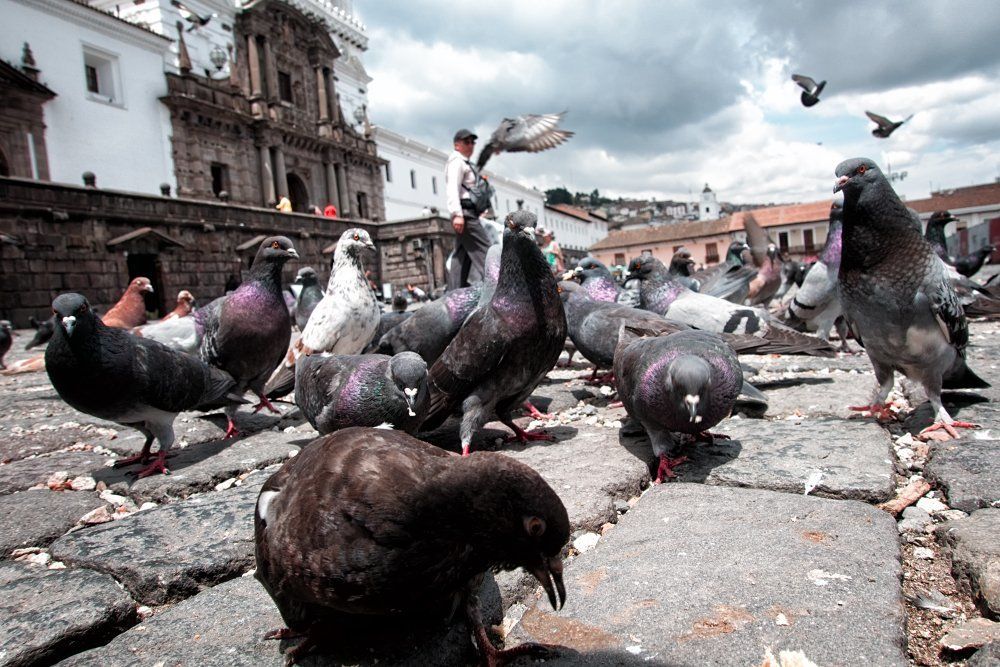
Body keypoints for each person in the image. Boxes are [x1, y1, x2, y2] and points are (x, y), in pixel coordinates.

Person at [445, 128, 493, 290]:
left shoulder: (464, 163)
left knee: (461, 257)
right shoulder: (456, 162)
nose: (471, 145)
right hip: (465, 214)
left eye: (473, 142)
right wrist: (457, 214)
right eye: (467, 141)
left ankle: (454, 292)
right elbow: (452, 188)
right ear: (457, 145)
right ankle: (497, 284)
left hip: (468, 212)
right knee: (486, 250)